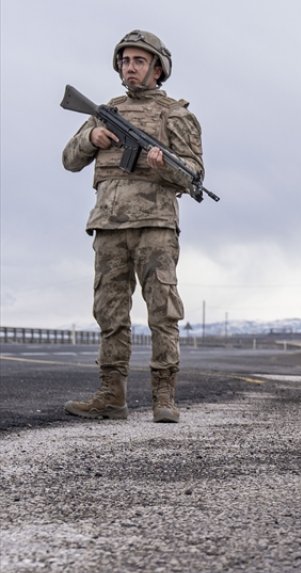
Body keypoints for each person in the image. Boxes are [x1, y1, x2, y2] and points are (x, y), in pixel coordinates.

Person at [62, 30, 205, 423]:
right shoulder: (104, 112)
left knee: (163, 311)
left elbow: (194, 174)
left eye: (139, 61)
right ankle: (112, 396)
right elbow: (70, 159)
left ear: (158, 69)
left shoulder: (176, 115)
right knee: (109, 312)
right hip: (108, 226)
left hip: (156, 225)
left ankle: (164, 396)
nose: (130, 67)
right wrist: (91, 137)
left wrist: (166, 166)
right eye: (125, 60)